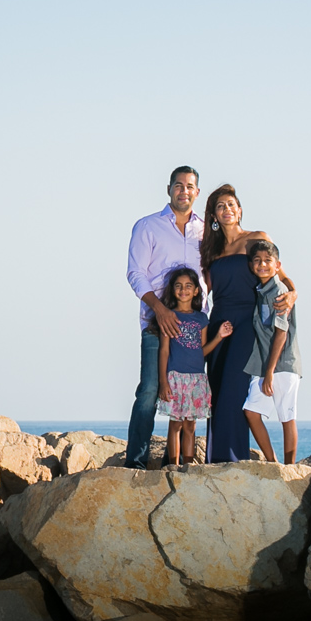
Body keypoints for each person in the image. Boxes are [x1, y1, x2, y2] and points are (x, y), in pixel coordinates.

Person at [200, 183, 297, 463]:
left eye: (231, 204)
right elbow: (204, 290)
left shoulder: (256, 238)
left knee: (234, 391)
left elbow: (282, 275)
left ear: (239, 210)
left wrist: (292, 294)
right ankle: (217, 459)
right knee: (216, 394)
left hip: (248, 324)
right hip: (219, 322)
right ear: (214, 217)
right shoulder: (212, 250)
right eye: (220, 206)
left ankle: (233, 459)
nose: (226, 210)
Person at [124, 167, 203, 465]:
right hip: (157, 325)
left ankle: (182, 461)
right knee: (149, 391)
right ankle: (136, 463)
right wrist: (160, 309)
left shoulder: (205, 230)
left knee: (188, 396)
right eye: (179, 185)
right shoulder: (148, 226)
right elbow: (135, 273)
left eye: (190, 186)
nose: (184, 191)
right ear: (169, 189)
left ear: (197, 192)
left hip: (194, 329)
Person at [153, 266, 228, 466]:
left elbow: (201, 351)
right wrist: (163, 382)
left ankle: (188, 466)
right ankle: (173, 465)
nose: (183, 289)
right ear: (172, 290)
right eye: (178, 286)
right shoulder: (168, 317)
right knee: (175, 425)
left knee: (190, 426)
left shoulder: (201, 319)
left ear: (196, 290)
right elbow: (164, 351)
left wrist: (219, 337)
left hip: (197, 379)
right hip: (176, 378)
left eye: (188, 286)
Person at [241, 239, 301, 462]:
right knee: (251, 412)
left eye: (268, 260)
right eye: (257, 261)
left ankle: (289, 467)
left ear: (278, 265)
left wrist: (269, 372)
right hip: (266, 364)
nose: (262, 265)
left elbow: (281, 333)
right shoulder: (260, 290)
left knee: (286, 416)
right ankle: (272, 462)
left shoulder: (279, 291)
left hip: (282, 364)